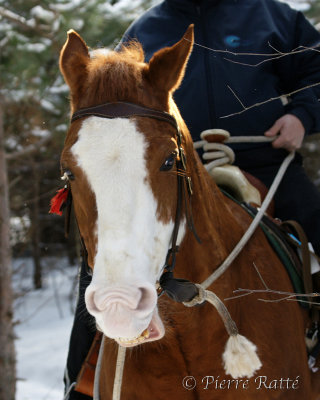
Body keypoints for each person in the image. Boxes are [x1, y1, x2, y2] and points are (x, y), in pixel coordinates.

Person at [64, 1, 320, 398]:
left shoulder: (271, 16)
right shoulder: (145, 30)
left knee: (314, 222)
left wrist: (303, 115)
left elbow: (316, 70)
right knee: (102, 268)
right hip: (173, 168)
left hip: (267, 160)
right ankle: (78, 382)